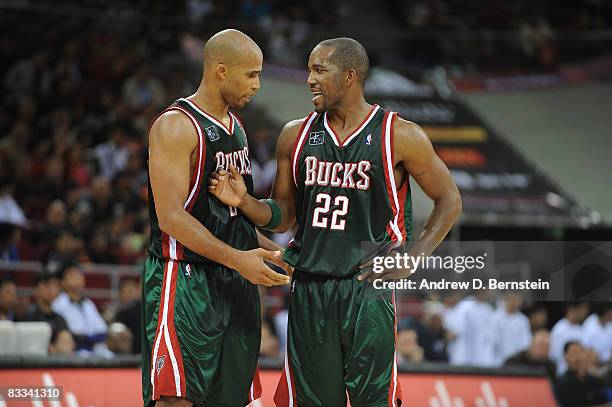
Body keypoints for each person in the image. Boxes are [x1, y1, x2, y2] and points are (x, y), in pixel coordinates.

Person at [209, 37, 461, 407]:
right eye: (309, 69)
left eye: (319, 70)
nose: (309, 79)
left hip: (367, 289)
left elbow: (449, 199)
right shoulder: (295, 135)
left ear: (349, 76)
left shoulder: (399, 135)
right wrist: (245, 201)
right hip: (310, 286)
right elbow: (283, 217)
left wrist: (415, 255)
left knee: (373, 400)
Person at [143, 29, 290, 407]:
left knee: (229, 399)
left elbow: (232, 221)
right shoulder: (176, 125)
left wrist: (280, 257)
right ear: (221, 71)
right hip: (186, 279)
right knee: (176, 398)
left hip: (234, 282)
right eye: (251, 75)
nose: (258, 85)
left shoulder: (236, 129)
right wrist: (238, 259)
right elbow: (170, 218)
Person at [51, 262, 107, 354]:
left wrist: (89, 339)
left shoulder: (88, 304)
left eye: (79, 275)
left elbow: (102, 331)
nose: (77, 278)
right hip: (73, 352)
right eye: (72, 275)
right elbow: (66, 335)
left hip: (95, 350)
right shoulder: (58, 304)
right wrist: (86, 339)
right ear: (63, 283)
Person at [554, 341, 607, 407]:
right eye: (574, 353)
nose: (578, 357)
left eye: (580, 352)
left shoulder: (594, 380)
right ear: (566, 357)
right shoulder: (561, 382)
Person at [491, 292, 531, 366]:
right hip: (497, 362)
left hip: (517, 363)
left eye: (517, 299)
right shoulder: (494, 318)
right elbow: (492, 343)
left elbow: (525, 344)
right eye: (511, 299)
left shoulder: (523, 320)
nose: (514, 302)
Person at [550, 302, 589, 374]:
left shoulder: (580, 328)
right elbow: (555, 356)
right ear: (572, 309)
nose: (585, 312)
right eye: (582, 309)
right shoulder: (560, 329)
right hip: (562, 372)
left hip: (577, 372)